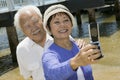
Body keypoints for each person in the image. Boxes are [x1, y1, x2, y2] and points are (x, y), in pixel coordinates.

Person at [14, 5, 85, 80]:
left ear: (42, 19)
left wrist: (80, 44)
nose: (34, 28)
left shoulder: (59, 36)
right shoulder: (22, 49)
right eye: (27, 26)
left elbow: (77, 59)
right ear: (22, 31)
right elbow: (29, 75)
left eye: (35, 21)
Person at [42, 4, 101, 80]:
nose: (62, 25)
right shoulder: (49, 55)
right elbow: (53, 74)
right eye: (57, 22)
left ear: (72, 24)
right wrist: (75, 62)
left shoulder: (80, 47)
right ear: (48, 28)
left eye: (66, 20)